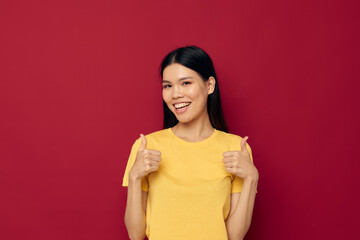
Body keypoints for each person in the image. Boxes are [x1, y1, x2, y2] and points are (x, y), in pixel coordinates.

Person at [122, 45, 259, 240]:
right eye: (168, 86)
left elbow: (234, 236)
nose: (175, 94)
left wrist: (251, 178)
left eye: (185, 83)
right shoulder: (146, 146)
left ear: (210, 85)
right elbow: (135, 235)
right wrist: (135, 176)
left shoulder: (237, 149)